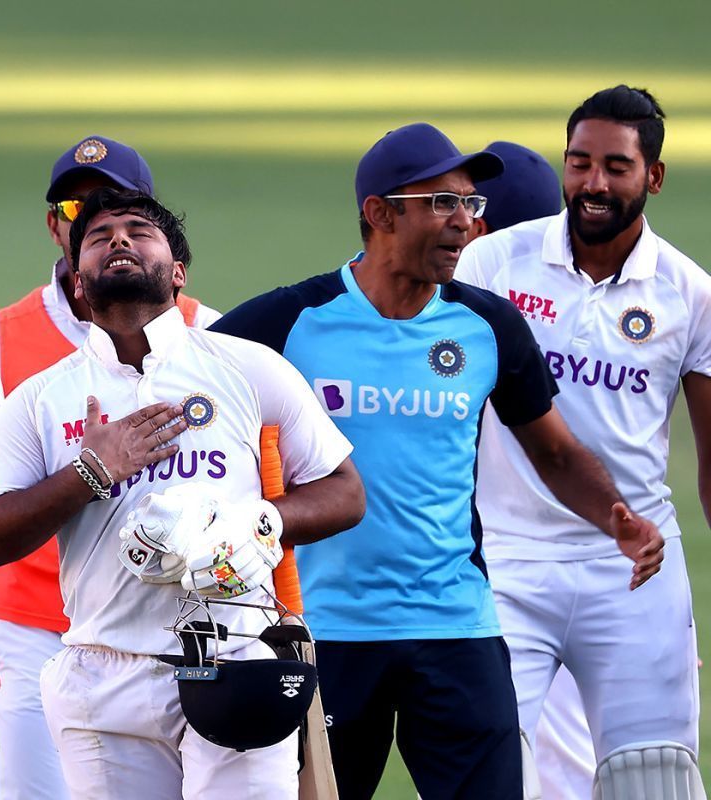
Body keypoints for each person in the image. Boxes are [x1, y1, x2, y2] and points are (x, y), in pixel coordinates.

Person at [210, 122, 664, 800]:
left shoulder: (488, 326)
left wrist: (615, 516)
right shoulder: (289, 322)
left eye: (472, 206)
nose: (466, 225)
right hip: (325, 633)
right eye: (443, 204)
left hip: (456, 627)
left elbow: (555, 450)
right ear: (381, 213)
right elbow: (184, 386)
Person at [0, 187, 365, 800]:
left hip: (237, 657)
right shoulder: (42, 398)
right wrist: (88, 473)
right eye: (97, 238)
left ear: (177, 273)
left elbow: (344, 492)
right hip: (104, 672)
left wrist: (256, 523)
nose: (118, 240)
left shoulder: (249, 367)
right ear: (77, 283)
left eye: (138, 231)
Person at [0, 135, 219, 800]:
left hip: (170, 623)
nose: (96, 220)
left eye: (119, 208)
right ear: (53, 223)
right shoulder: (1, 337)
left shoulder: (213, 337)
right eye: (77, 205)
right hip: (31, 623)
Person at [456, 86, 711, 798]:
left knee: (652, 778)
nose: (593, 183)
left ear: (653, 176)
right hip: (509, 558)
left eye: (615, 167)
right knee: (483, 769)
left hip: (636, 568)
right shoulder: (493, 266)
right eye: (578, 163)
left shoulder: (691, 294)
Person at [469, 140, 599, 800]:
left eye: (461, 215)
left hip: (535, 582)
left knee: (556, 772)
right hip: (568, 583)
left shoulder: (489, 333)